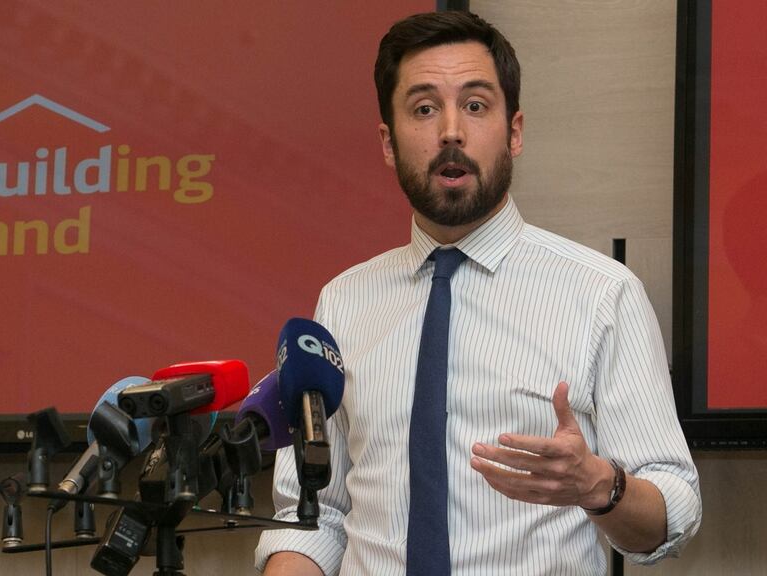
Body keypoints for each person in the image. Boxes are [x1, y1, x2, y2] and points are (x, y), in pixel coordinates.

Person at [255, 11, 701, 576]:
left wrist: (599, 486)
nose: (450, 131)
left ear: (513, 131)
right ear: (388, 144)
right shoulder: (343, 302)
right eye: (423, 108)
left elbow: (674, 511)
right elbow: (313, 514)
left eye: (474, 105)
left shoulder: (601, 293)